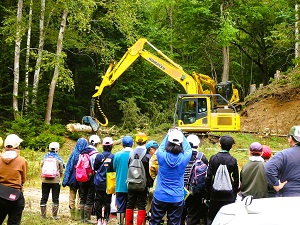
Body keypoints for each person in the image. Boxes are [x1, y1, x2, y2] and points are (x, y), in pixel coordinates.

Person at [150, 129, 192, 225]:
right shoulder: (184, 158)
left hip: (160, 196)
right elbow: (188, 148)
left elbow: (160, 147)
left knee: (154, 222)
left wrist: (169, 134)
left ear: (169, 142)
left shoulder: (161, 155)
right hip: (177, 197)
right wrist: (180, 133)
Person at [205, 135, 239, 225]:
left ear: (219, 145)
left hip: (215, 194)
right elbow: (236, 179)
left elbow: (208, 177)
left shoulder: (213, 158)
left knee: (212, 217)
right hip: (229, 195)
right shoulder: (233, 160)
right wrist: (234, 193)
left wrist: (208, 195)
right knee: (228, 218)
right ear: (231, 147)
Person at [0, 134, 27, 225]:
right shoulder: (22, 160)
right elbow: (23, 178)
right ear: (17, 146)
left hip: (0, 193)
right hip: (15, 195)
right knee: (14, 222)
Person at [265, 125, 300, 197]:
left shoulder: (283, 155)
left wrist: (276, 184)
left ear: (290, 138)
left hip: (288, 197)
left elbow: (269, 168)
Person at [126, 132, 152, 225]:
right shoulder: (148, 155)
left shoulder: (131, 154)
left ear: (135, 142)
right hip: (143, 184)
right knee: (141, 204)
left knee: (130, 203)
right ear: (146, 141)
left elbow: (128, 166)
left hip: (131, 181)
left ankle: (128, 223)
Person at [182, 134, 208, 225]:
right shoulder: (202, 157)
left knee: (180, 212)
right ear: (198, 144)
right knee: (193, 214)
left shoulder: (182, 155)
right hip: (195, 191)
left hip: (181, 190)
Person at [62, 137, 89, 220]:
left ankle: (73, 215)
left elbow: (68, 168)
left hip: (73, 179)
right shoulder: (86, 155)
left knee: (72, 196)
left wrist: (65, 180)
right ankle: (79, 215)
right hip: (83, 179)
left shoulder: (74, 154)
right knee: (81, 196)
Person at [40, 142, 64, 219]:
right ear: (57, 149)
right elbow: (61, 169)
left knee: (44, 197)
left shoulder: (45, 158)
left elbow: (41, 166)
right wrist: (59, 176)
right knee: (55, 198)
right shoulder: (58, 159)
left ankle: (43, 215)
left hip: (45, 181)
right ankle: (55, 215)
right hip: (55, 181)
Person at [113, 135, 134, 225]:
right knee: (130, 206)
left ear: (122, 144)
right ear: (132, 144)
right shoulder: (135, 154)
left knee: (120, 205)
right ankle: (129, 222)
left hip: (120, 184)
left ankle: (120, 222)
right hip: (132, 184)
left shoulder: (117, 155)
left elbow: (114, 168)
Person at [79, 134, 100, 223]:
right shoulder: (95, 153)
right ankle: (87, 219)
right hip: (91, 177)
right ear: (97, 143)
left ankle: (82, 218)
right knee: (90, 197)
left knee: (83, 196)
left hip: (82, 177)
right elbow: (96, 167)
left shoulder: (82, 151)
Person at [94, 137, 115, 225]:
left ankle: (99, 219)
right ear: (111, 146)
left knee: (98, 201)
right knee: (107, 202)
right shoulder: (113, 156)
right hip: (109, 182)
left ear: (103, 146)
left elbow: (95, 167)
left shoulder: (99, 156)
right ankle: (106, 219)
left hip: (99, 182)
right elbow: (114, 169)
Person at [145, 140, 159, 221]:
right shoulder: (165, 153)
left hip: (158, 184)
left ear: (151, 149)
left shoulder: (154, 157)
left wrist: (156, 179)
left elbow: (152, 172)